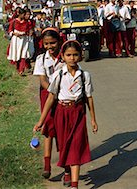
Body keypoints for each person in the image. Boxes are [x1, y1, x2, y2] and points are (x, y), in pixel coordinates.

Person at [34, 40, 98, 189]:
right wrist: (41, 121)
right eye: (69, 55)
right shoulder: (58, 75)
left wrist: (93, 120)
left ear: (81, 56)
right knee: (64, 145)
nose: (72, 58)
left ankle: (74, 185)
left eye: (75, 55)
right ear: (63, 56)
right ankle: (67, 170)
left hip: (78, 113)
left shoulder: (85, 76)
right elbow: (51, 97)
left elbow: (89, 98)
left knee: (76, 146)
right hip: (61, 113)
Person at [32, 28, 64, 179]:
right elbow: (43, 80)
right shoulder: (41, 59)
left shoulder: (65, 57)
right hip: (47, 94)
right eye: (46, 44)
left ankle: (67, 166)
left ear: (59, 41)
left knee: (63, 129)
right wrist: (53, 91)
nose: (50, 47)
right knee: (49, 128)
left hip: (64, 96)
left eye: (53, 43)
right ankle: (47, 164)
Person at [7, 8, 31, 75]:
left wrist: (24, 33)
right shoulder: (14, 21)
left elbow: (28, 31)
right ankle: (18, 68)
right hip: (16, 40)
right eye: (23, 14)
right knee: (17, 54)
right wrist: (15, 34)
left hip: (24, 40)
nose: (24, 16)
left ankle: (21, 70)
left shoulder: (26, 22)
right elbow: (10, 30)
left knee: (23, 54)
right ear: (19, 14)